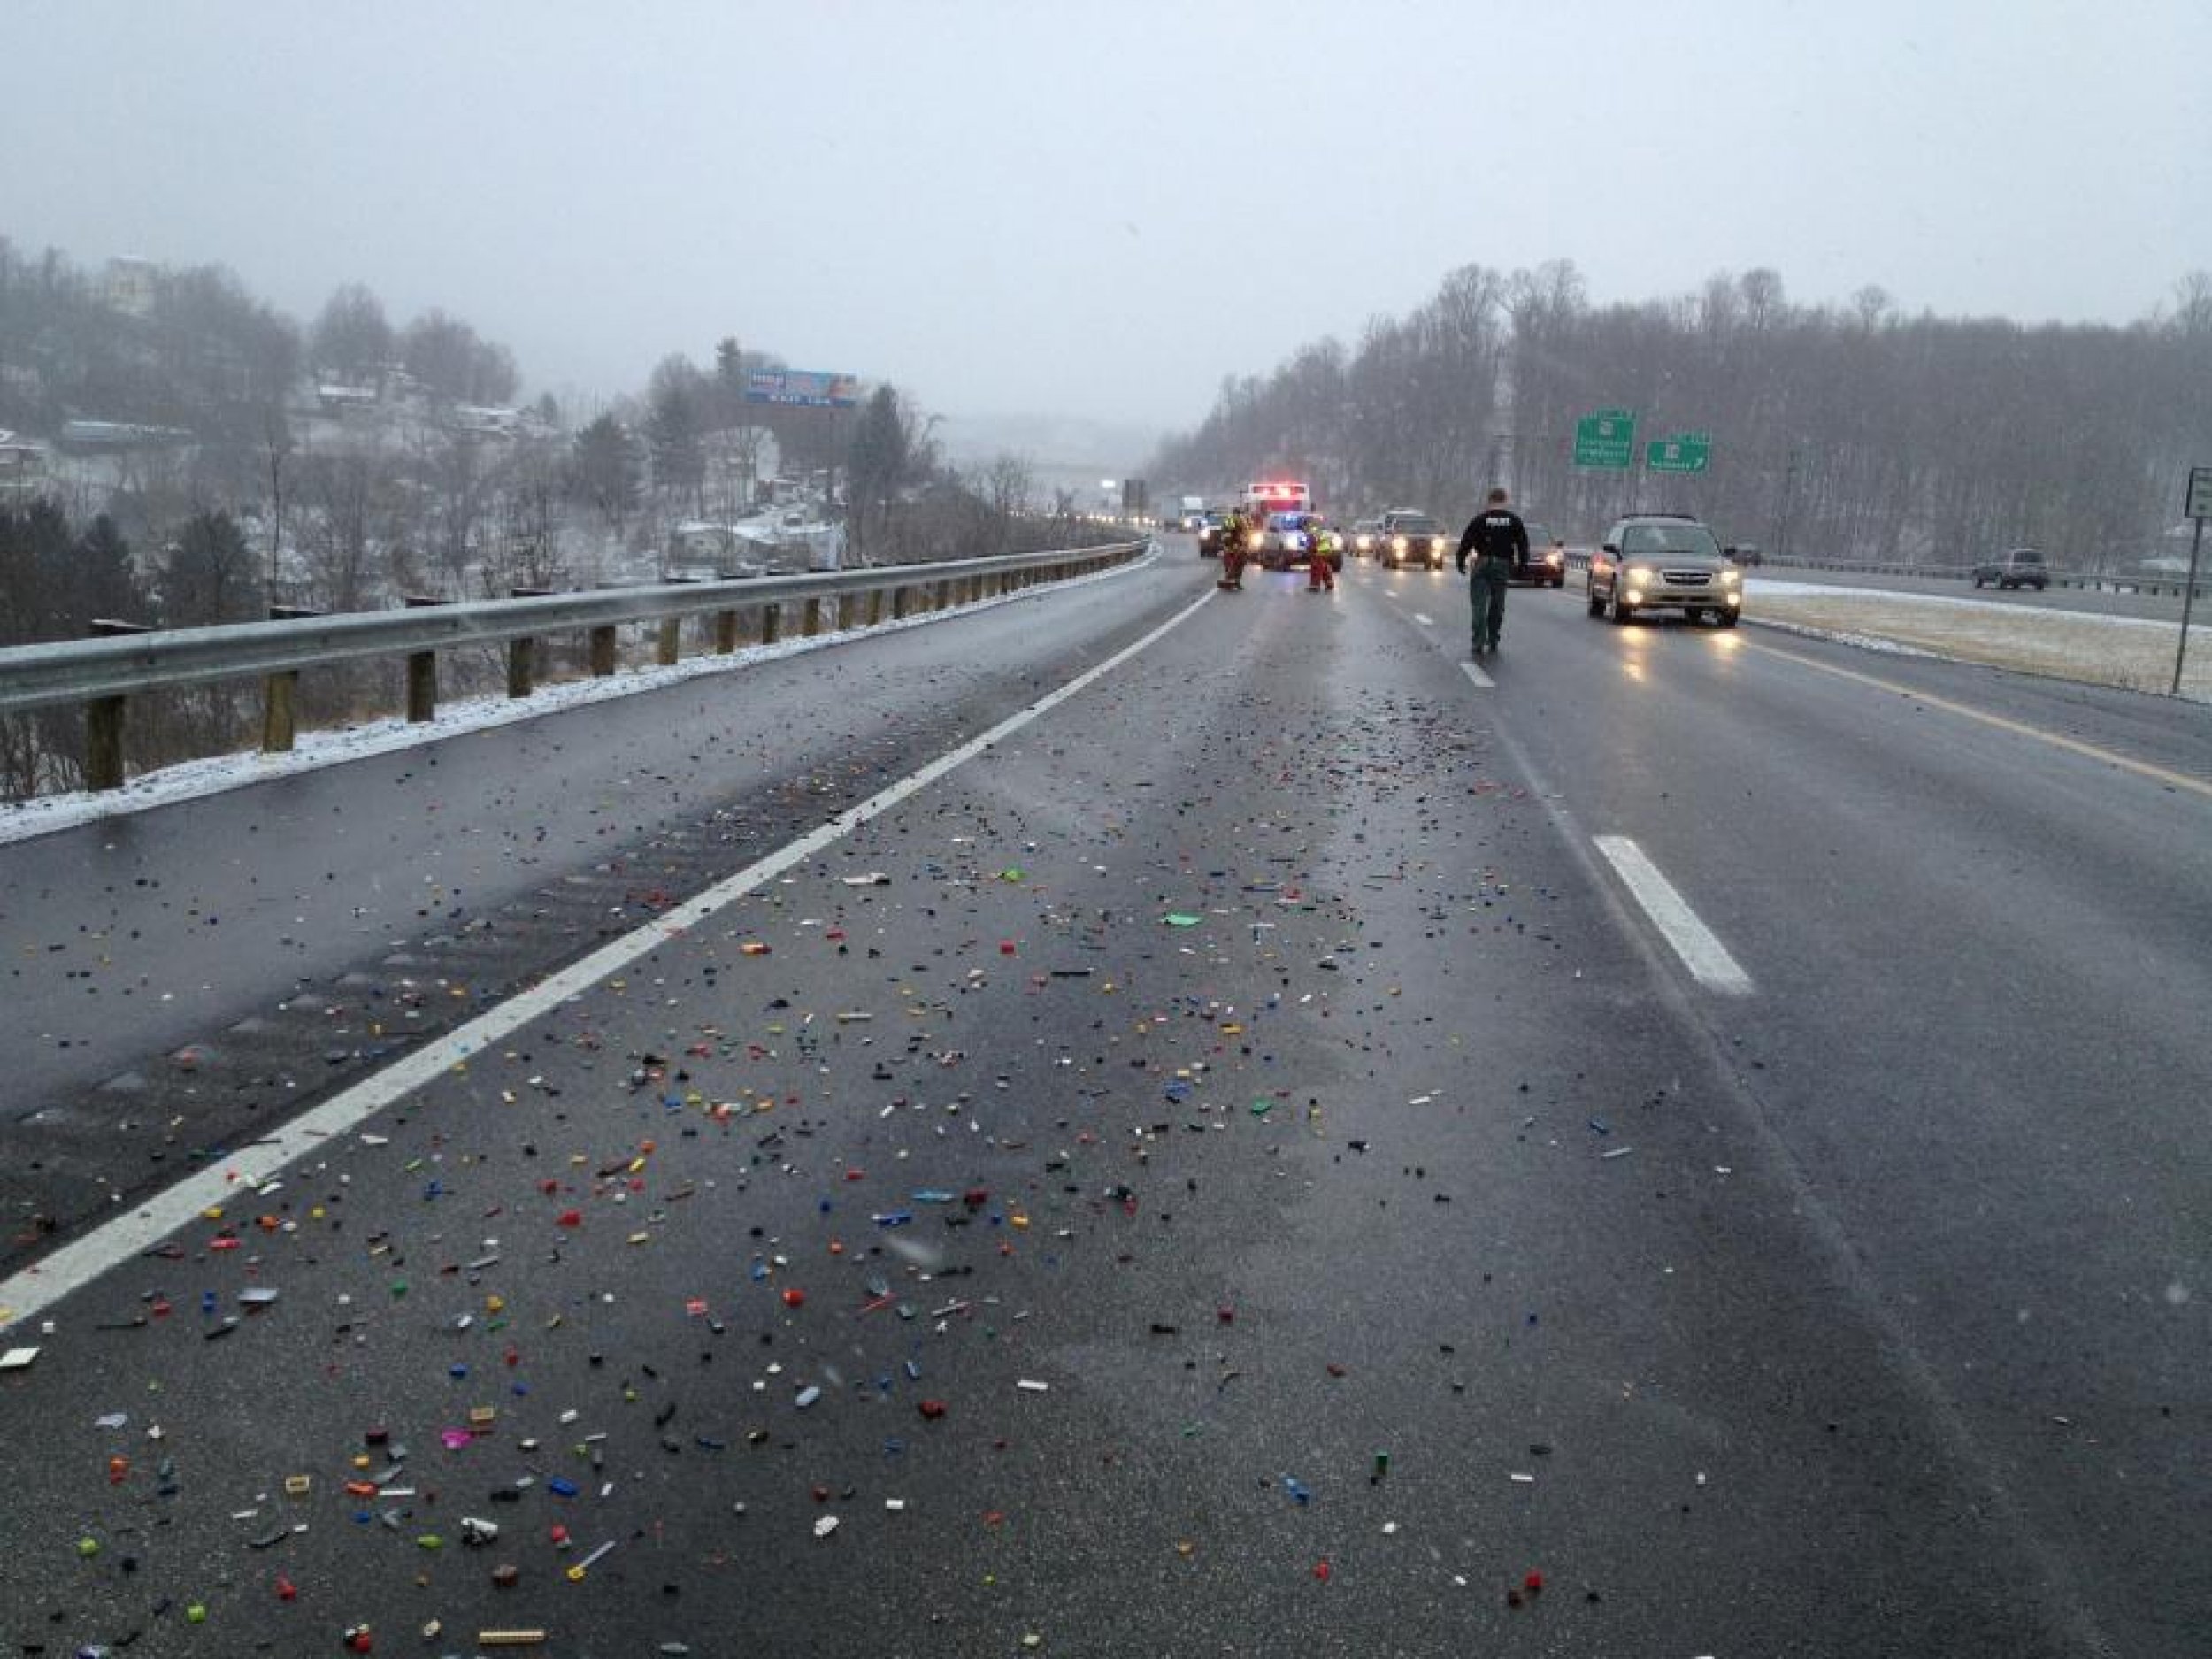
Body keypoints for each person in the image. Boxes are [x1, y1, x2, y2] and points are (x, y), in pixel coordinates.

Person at [1455, 487, 1527, 655]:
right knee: (1497, 604)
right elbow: (1522, 544)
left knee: (1479, 604)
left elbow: (1466, 541)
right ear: (1505, 500)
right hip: (1502, 565)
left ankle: (1478, 641)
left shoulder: (1479, 520)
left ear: (1489, 501)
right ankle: (1493, 639)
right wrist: (1523, 564)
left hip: (1482, 563)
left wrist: (1460, 561)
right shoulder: (1514, 520)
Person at [1218, 506, 1250, 589]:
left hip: (1232, 545)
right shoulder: (1238, 520)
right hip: (1235, 545)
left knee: (1231, 563)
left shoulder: (1232, 519)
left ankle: (1232, 580)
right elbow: (1240, 532)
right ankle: (1234, 580)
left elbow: (1226, 532)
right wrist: (1241, 542)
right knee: (1238, 563)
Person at [1304, 515, 1337, 592]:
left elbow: (1312, 544)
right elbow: (1329, 541)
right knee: (1324, 567)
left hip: (1318, 552)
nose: (1304, 529)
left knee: (1316, 568)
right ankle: (1329, 583)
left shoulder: (1312, 532)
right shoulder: (1321, 530)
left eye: (1304, 526)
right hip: (1326, 551)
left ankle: (1315, 586)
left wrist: (1310, 551)